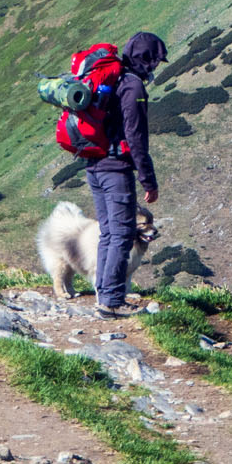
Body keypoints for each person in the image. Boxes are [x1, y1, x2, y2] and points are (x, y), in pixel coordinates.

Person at [86, 30, 167, 318]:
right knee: (121, 235)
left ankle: (104, 293)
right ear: (147, 59)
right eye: (156, 61)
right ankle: (111, 302)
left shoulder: (114, 80)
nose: (156, 67)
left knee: (109, 233)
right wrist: (148, 180)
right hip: (116, 169)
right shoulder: (133, 88)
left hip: (94, 164)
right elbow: (136, 137)